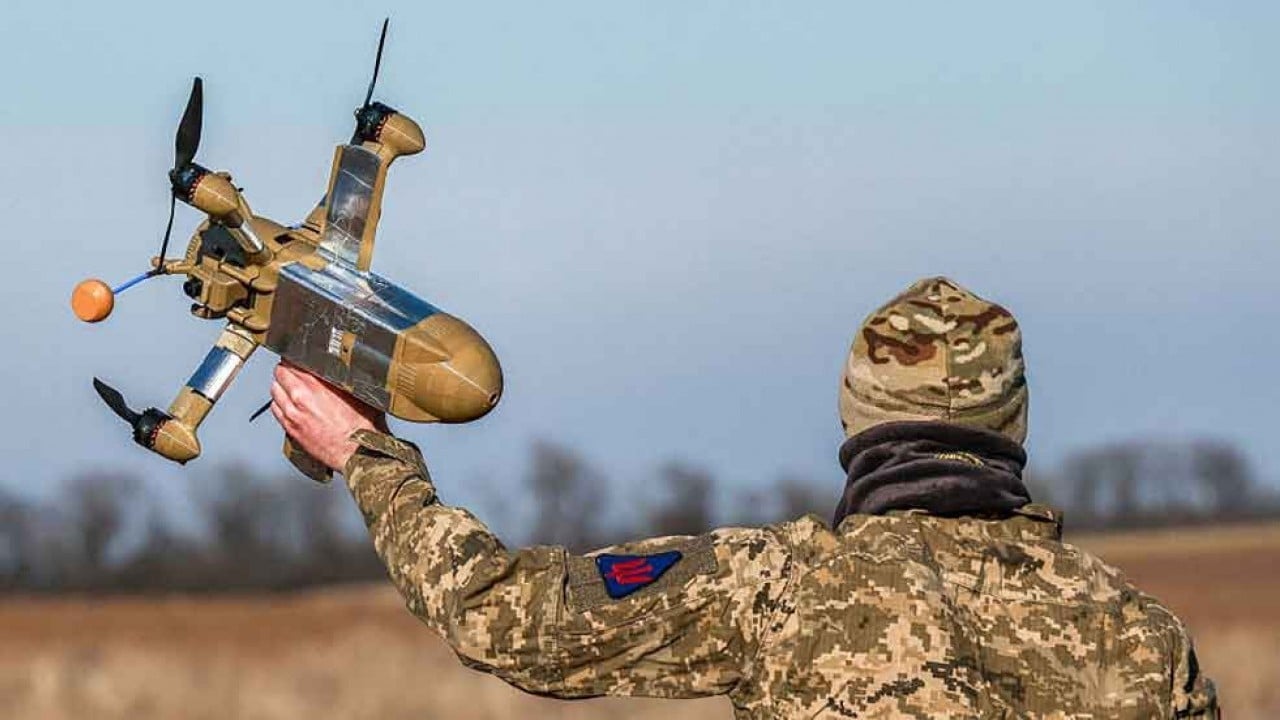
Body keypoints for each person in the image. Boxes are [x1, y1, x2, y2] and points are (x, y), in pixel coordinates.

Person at [270, 276, 1219, 719]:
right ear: (1013, 424)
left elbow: (504, 619)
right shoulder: (1138, 636)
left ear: (855, 417)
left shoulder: (780, 584)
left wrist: (364, 453)